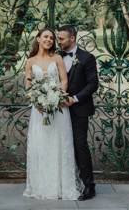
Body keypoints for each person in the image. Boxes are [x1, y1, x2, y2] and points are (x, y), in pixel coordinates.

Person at [23, 28, 83, 200]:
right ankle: (42, 185)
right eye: (46, 37)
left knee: (59, 143)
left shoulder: (57, 58)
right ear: (38, 39)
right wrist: (38, 101)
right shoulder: (30, 61)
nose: (49, 40)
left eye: (51, 38)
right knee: (42, 144)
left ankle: (62, 185)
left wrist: (55, 97)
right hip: (39, 109)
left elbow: (64, 80)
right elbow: (28, 86)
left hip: (58, 108)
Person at [57, 24, 99, 201]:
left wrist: (74, 98)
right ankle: (62, 182)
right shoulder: (56, 56)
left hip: (79, 109)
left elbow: (92, 84)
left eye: (61, 38)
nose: (58, 41)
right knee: (58, 145)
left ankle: (89, 185)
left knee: (80, 145)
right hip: (56, 110)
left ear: (72, 38)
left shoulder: (86, 58)